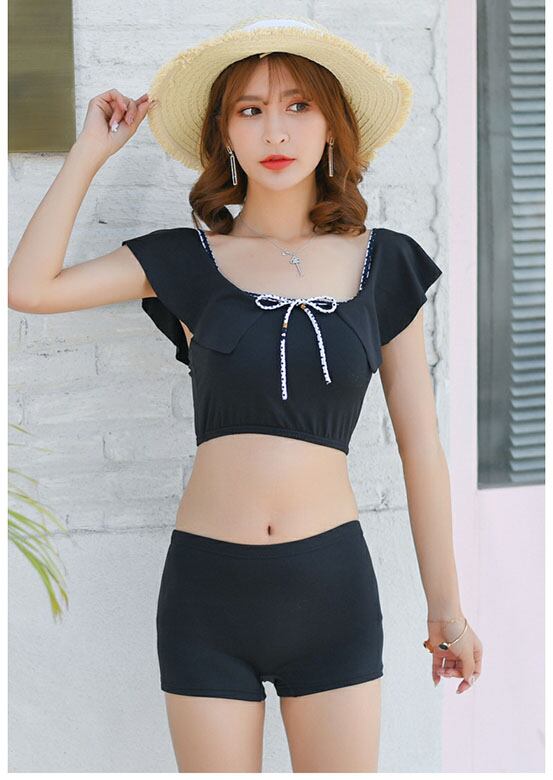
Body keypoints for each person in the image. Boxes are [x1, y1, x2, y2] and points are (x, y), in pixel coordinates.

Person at [8, 15, 483, 773]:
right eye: (250, 110)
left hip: (331, 591)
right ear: (226, 132)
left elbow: (421, 448)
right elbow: (30, 288)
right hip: (207, 596)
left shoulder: (385, 262)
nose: (275, 130)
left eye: (297, 105)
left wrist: (446, 609)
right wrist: (88, 153)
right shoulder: (187, 259)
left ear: (333, 126)